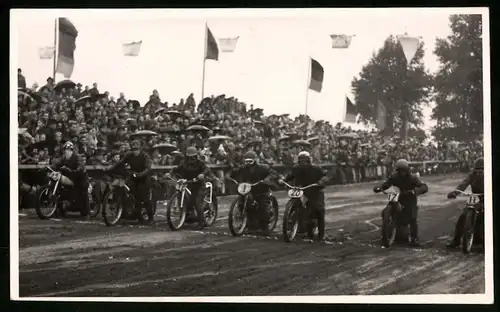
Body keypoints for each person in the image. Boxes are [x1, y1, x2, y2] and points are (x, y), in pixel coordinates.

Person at [373, 158, 428, 247]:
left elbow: (424, 186)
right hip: (396, 196)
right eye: (400, 170)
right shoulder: (394, 177)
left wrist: (414, 191)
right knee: (384, 212)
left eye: (404, 170)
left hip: (409, 199)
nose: (402, 172)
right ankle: (386, 229)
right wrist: (379, 187)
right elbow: (386, 183)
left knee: (412, 217)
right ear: (397, 170)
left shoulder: (413, 178)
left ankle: (414, 238)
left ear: (407, 170)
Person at [279, 151, 329, 241]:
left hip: (313, 191)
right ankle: (295, 221)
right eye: (301, 162)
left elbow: (325, 176)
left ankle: (321, 234)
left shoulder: (316, 168)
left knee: (319, 210)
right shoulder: (296, 168)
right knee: (293, 201)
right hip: (300, 190)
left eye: (305, 161)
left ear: (309, 161)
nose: (303, 164)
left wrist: (321, 181)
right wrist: (283, 179)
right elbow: (290, 175)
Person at [106, 139, 154, 223]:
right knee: (126, 190)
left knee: (144, 197)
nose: (135, 151)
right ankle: (126, 211)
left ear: (140, 149)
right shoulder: (128, 155)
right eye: (133, 149)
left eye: (137, 149)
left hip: (143, 178)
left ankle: (150, 217)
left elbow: (148, 169)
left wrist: (140, 174)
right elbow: (120, 163)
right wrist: (110, 169)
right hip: (133, 176)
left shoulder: (144, 156)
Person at [230, 151, 277, 232]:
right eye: (246, 161)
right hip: (248, 190)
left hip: (261, 191)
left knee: (263, 207)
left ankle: (265, 226)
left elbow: (273, 173)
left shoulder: (263, 167)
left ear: (255, 160)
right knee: (242, 202)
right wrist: (231, 174)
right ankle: (248, 222)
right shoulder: (242, 168)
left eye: (250, 161)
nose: (248, 163)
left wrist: (268, 179)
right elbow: (234, 173)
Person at [170, 146, 213, 229]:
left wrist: (202, 174)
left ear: (196, 156)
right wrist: (170, 172)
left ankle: (201, 222)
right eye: (189, 157)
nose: (191, 159)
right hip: (189, 183)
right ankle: (186, 216)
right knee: (184, 198)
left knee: (197, 202)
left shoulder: (200, 163)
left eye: (193, 156)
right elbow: (177, 169)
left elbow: (207, 169)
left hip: (199, 184)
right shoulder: (183, 163)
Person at [446, 157, 484, 248]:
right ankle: (456, 240)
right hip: (475, 197)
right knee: (463, 216)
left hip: (487, 198)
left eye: (481, 170)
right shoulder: (471, 175)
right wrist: (455, 192)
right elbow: (463, 184)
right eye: (477, 170)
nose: (478, 173)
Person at [53, 141, 90, 219]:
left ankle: (86, 212)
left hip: (80, 178)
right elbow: (56, 164)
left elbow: (80, 168)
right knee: (60, 188)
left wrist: (69, 170)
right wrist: (51, 167)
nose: (67, 151)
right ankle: (59, 209)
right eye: (65, 149)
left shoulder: (77, 157)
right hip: (70, 177)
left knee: (83, 190)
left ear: (72, 150)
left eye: (69, 149)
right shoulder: (63, 158)